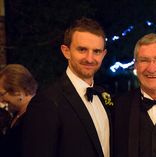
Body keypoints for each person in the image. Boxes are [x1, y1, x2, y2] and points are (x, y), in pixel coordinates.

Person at [22, 17, 112, 157]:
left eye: (96, 51)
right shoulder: (46, 102)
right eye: (82, 49)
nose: (90, 58)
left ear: (104, 54)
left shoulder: (103, 95)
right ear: (66, 51)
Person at [0, 64, 38, 157]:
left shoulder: (37, 116)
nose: (1, 99)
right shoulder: (17, 113)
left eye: (2, 94)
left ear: (17, 91)